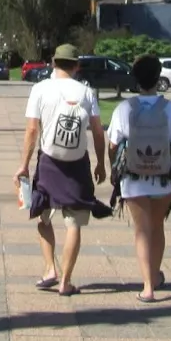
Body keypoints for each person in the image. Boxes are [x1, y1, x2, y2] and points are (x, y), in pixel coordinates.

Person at [14, 43, 110, 296]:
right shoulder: (87, 92)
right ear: (77, 65)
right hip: (78, 164)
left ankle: (50, 269)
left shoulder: (40, 89)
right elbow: (97, 132)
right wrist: (101, 163)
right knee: (74, 223)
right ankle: (66, 281)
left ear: (53, 63)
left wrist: (24, 165)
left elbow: (32, 130)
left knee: (43, 217)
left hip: (49, 161)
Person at [108, 54, 171, 302]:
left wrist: (111, 167)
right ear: (158, 78)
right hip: (163, 178)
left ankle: (147, 287)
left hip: (133, 178)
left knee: (141, 230)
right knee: (157, 228)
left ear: (136, 79)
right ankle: (155, 276)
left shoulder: (124, 108)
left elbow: (113, 144)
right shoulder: (170, 109)